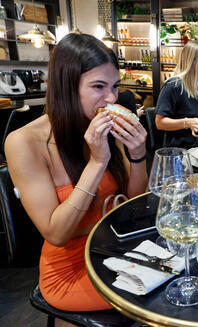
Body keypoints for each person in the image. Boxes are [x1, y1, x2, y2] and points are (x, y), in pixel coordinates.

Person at [5, 33, 148, 311]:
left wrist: (138, 153)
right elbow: (56, 234)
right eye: (98, 86)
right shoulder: (24, 142)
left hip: (116, 250)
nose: (110, 98)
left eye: (114, 86)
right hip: (69, 270)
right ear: (68, 86)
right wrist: (96, 163)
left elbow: (132, 203)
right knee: (164, 293)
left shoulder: (102, 124)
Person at [155, 40, 198, 150]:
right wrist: (187, 123)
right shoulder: (173, 86)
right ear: (192, 62)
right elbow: (159, 122)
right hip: (179, 154)